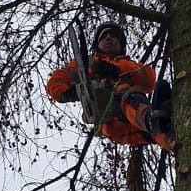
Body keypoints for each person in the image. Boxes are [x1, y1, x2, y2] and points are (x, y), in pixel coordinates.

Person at [47, 22, 174, 150]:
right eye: (103, 36)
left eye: (113, 35)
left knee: (161, 128)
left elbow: (148, 80)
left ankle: (171, 133)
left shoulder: (130, 65)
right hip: (110, 120)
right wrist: (65, 93)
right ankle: (151, 119)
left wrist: (116, 70)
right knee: (124, 92)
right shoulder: (89, 63)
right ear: (98, 44)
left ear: (120, 44)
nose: (108, 37)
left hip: (136, 117)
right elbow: (58, 78)